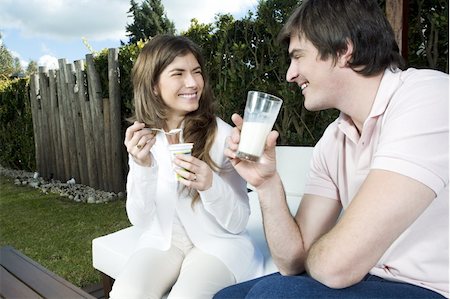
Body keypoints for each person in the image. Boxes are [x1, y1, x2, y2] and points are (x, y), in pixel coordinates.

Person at [215, 0, 449, 298]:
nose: (290, 74)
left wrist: (320, 256)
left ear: (343, 51)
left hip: (431, 287)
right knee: (227, 296)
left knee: (275, 293)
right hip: (368, 278)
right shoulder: (334, 138)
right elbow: (291, 261)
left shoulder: (428, 97)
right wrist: (266, 184)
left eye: (298, 57)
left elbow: (336, 267)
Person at [109, 35, 263, 299]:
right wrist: (142, 165)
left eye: (196, 72)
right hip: (165, 240)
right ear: (154, 85)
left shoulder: (222, 135)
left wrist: (210, 185)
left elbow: (238, 222)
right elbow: (141, 220)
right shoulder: (145, 139)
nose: (192, 83)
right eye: (178, 73)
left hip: (218, 243)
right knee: (125, 293)